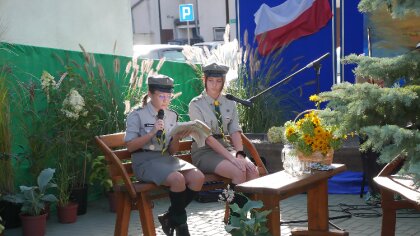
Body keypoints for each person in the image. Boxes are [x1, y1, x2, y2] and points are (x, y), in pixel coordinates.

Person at [125, 74, 204, 236]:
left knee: (198, 177)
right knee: (178, 179)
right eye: (161, 96)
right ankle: (182, 228)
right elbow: (130, 146)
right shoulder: (137, 115)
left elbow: (172, 151)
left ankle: (171, 217)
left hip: (165, 159)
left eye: (169, 96)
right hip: (144, 161)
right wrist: (152, 132)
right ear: (150, 93)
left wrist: (176, 136)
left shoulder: (172, 115)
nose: (165, 100)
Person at [188, 62, 259, 220]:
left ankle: (253, 218)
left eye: (218, 81)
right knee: (238, 170)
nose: (214, 85)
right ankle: (236, 220)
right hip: (204, 151)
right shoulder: (196, 104)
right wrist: (232, 159)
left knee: (252, 170)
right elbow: (207, 138)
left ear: (223, 81)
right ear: (204, 80)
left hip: (225, 147)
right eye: (211, 81)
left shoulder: (229, 102)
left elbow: (234, 130)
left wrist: (239, 154)